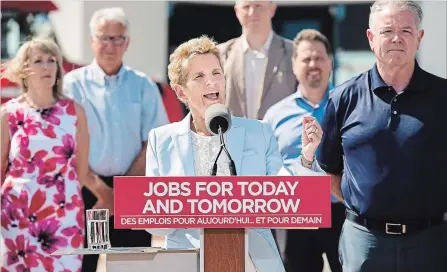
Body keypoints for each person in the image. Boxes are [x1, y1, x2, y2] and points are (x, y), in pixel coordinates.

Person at [143, 35, 324, 272]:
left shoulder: (257, 132)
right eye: (199, 76)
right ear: (180, 91)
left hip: (253, 261)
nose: (212, 83)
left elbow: (288, 196)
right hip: (186, 261)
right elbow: (154, 223)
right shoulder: (161, 140)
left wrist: (307, 156)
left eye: (216, 73)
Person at [317, 1, 447, 271]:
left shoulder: (443, 96)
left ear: (419, 38)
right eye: (387, 31)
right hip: (364, 243)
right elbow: (330, 170)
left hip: (431, 242)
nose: (397, 38)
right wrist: (364, 205)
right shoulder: (344, 97)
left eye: (406, 31)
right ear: (371, 38)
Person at [63, 7, 169, 272]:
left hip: (132, 192)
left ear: (127, 42)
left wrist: (120, 194)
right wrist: (103, 193)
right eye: (103, 37)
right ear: (92, 41)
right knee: (82, 264)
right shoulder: (72, 85)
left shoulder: (144, 85)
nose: (110, 45)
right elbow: (67, 144)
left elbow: (154, 142)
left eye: (117, 38)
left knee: (132, 265)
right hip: (87, 191)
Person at [0, 38, 113, 271]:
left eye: (52, 61)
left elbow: (82, 172)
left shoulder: (74, 112)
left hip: (64, 215)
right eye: (39, 61)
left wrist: (105, 194)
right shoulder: (8, 113)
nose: (47, 67)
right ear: (23, 70)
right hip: (16, 214)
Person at [263, 29, 343, 272]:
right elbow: (266, 165)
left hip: (341, 209)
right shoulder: (275, 115)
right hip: (295, 213)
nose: (313, 64)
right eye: (306, 59)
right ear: (294, 66)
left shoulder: (348, 104)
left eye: (319, 57)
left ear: (330, 62)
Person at [218, 0, 296, 120]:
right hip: (234, 136)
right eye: (246, 7)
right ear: (237, 11)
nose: (252, 12)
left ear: (272, 9)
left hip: (278, 136)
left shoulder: (294, 53)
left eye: (258, 6)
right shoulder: (219, 55)